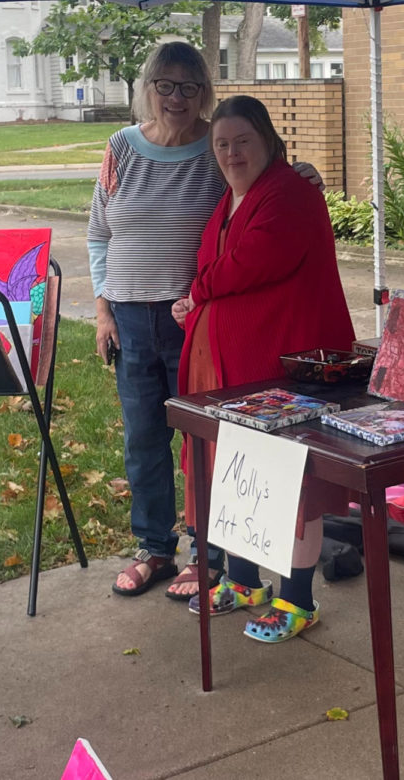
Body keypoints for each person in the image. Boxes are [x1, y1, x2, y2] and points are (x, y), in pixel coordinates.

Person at [87, 42, 321, 600]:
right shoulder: (120, 147)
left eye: (189, 87)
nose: (176, 97)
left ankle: (209, 552)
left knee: (203, 441)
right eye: (165, 85)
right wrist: (101, 310)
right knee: (143, 437)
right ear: (148, 87)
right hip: (128, 313)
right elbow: (99, 231)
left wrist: (298, 170)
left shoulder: (215, 150)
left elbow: (258, 190)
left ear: (204, 94)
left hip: (193, 320)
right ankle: (153, 549)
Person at [172, 95, 355, 643]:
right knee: (234, 475)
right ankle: (245, 580)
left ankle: (297, 598)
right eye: (222, 145)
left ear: (269, 141)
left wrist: (197, 294)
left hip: (283, 370)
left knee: (288, 481)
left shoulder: (290, 195)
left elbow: (254, 260)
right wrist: (197, 306)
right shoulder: (234, 196)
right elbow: (220, 264)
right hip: (230, 372)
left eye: (242, 142)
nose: (231, 153)